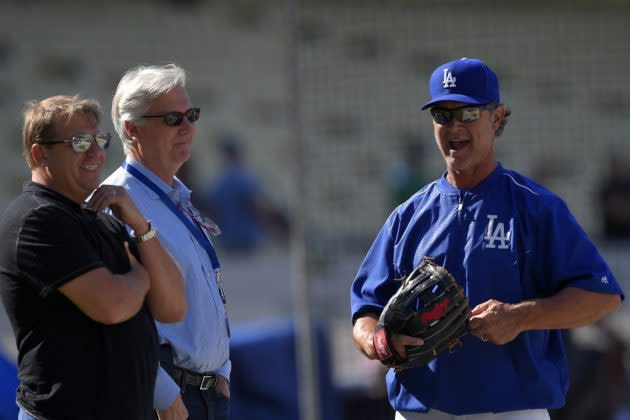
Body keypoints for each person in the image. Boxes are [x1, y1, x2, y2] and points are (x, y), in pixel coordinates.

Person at [350, 58, 624, 419]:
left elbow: (601, 298)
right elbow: (365, 311)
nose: (452, 126)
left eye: (466, 114)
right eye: (441, 115)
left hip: (512, 411)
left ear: (496, 118)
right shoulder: (408, 216)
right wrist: (378, 342)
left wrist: (520, 316)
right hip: (421, 411)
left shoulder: (537, 208)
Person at [0, 95, 186, 419]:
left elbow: (172, 306)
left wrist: (140, 223)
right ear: (40, 153)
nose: (96, 152)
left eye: (100, 140)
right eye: (80, 142)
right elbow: (113, 306)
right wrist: (140, 277)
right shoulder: (36, 218)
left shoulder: (99, 216)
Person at [103, 64, 231, 420]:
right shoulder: (116, 202)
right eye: (173, 118)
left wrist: (222, 371)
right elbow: (116, 317)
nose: (188, 126)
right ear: (132, 129)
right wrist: (164, 395)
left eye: (191, 114)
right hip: (166, 401)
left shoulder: (174, 196)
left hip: (206, 394)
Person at [201, 133, 290, 254]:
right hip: (248, 241)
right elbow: (258, 206)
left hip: (226, 243)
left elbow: (211, 210)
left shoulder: (219, 182)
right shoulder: (244, 178)